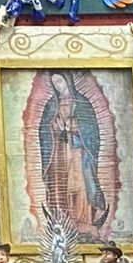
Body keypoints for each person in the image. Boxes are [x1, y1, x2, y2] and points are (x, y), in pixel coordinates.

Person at [39, 71, 108, 234]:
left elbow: (91, 130)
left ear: (68, 81)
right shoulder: (51, 105)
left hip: (78, 152)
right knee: (59, 185)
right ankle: (63, 222)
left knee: (79, 185)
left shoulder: (82, 103)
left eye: (60, 82)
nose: (58, 86)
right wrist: (55, 127)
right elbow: (43, 131)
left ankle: (83, 221)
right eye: (55, 83)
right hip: (58, 153)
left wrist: (73, 125)